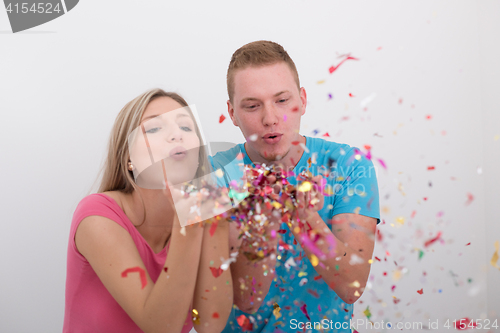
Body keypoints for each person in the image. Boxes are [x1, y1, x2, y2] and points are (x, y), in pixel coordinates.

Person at [210, 41, 380, 332]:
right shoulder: (213, 175)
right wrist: (262, 219)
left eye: (281, 100)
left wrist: (306, 220)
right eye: (252, 106)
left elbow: (351, 286)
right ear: (233, 113)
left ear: (301, 100)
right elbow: (220, 297)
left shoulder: (349, 165)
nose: (270, 118)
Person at [63, 88, 233, 333]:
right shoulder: (97, 214)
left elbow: (211, 324)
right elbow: (160, 327)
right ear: (128, 158)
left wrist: (218, 225)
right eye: (153, 128)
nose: (176, 135)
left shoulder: (207, 210)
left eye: (186, 127)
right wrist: (190, 227)